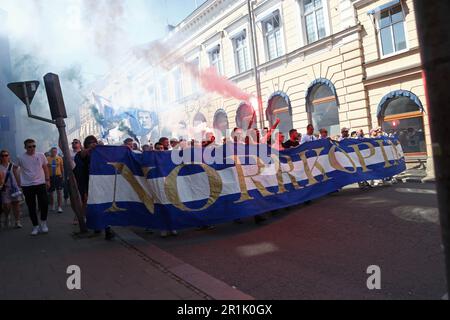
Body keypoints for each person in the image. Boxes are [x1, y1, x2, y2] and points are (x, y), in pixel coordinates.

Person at [74, 135, 115, 240]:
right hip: (89, 185)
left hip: (102, 184)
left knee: (105, 206)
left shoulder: (101, 153)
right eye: (90, 143)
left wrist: (102, 148)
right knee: (94, 207)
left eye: (94, 142)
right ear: (86, 145)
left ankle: (107, 229)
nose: (93, 144)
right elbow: (81, 156)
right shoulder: (81, 154)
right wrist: (90, 149)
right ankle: (97, 226)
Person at [17, 139, 50, 236]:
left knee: (44, 203)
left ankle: (43, 223)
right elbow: (15, 168)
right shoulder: (21, 157)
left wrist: (47, 180)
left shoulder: (41, 155)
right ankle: (35, 226)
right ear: (25, 147)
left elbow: (45, 167)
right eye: (29, 146)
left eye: (33, 146)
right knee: (31, 207)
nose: (32, 148)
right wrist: (19, 181)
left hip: (40, 183)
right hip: (27, 185)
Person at [0, 150, 22, 229]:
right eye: (2, 156)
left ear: (9, 156)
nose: (4, 157)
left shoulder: (13, 166)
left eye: (6, 155)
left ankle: (17, 221)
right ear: (0, 157)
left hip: (15, 188)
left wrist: (20, 186)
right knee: (6, 205)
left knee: (16, 204)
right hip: (4, 189)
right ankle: (7, 215)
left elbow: (19, 175)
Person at [47, 147, 64, 214]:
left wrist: (62, 175)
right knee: (51, 193)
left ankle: (59, 207)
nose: (54, 152)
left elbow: (62, 167)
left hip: (58, 176)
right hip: (50, 177)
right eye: (53, 151)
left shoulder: (59, 158)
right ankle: (52, 204)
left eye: (55, 151)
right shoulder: (47, 158)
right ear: (50, 152)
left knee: (59, 192)